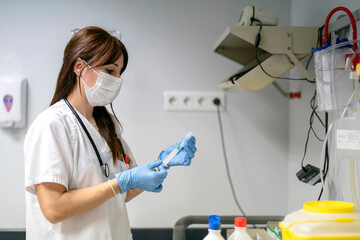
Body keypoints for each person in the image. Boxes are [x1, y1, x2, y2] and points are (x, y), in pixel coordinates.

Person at [24, 26, 197, 240]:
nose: (117, 79)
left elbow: (120, 194)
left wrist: (163, 163)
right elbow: (53, 209)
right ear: (79, 66)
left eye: (119, 72)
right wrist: (121, 182)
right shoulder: (52, 124)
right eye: (109, 70)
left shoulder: (107, 124)